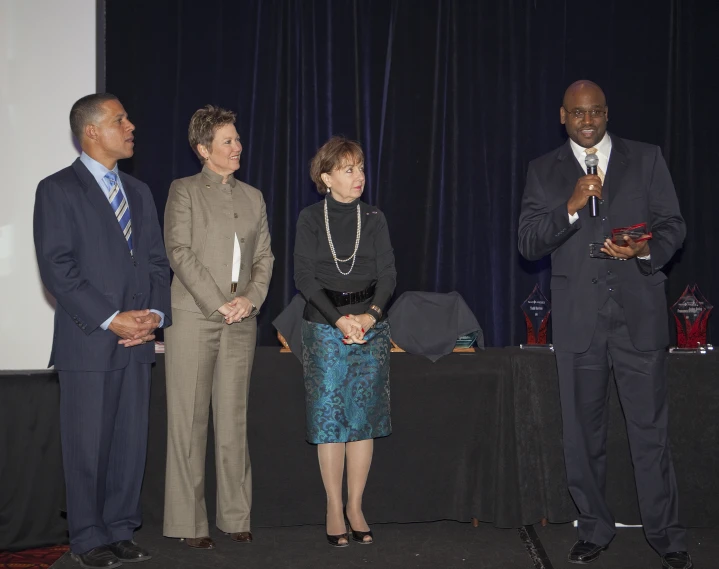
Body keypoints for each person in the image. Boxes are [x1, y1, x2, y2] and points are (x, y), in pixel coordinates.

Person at [518, 81, 691, 569]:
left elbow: (673, 225)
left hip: (638, 316)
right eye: (578, 113)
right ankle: (593, 527)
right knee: (581, 435)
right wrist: (570, 205)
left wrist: (646, 249)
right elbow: (529, 242)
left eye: (595, 111)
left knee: (650, 433)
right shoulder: (543, 171)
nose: (587, 120)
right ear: (562, 116)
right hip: (578, 323)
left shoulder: (647, 158)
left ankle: (667, 535)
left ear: (607, 113)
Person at [33, 93, 171, 568]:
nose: (131, 126)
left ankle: (120, 529)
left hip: (137, 341)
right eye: (120, 120)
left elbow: (156, 260)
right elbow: (59, 269)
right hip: (90, 342)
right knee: (88, 446)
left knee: (129, 445)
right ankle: (88, 538)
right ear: (91, 131)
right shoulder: (57, 190)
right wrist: (113, 319)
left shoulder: (139, 191)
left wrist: (154, 314)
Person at [162, 105, 274, 549]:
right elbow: (179, 251)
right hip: (194, 316)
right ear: (203, 149)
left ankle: (234, 515)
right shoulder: (183, 190)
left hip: (241, 319)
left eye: (238, 139)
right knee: (188, 421)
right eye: (227, 141)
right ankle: (190, 523)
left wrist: (249, 300)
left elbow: (264, 258)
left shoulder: (254, 197)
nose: (237, 147)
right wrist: (220, 303)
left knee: (233, 420)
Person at [294, 136, 396, 547]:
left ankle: (356, 505)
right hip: (324, 326)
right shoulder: (309, 218)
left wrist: (369, 318)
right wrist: (338, 321)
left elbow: (388, 273)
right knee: (330, 423)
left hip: (370, 326)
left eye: (361, 168)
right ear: (326, 177)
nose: (359, 177)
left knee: (364, 420)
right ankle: (333, 508)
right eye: (348, 169)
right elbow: (304, 278)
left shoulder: (374, 217)